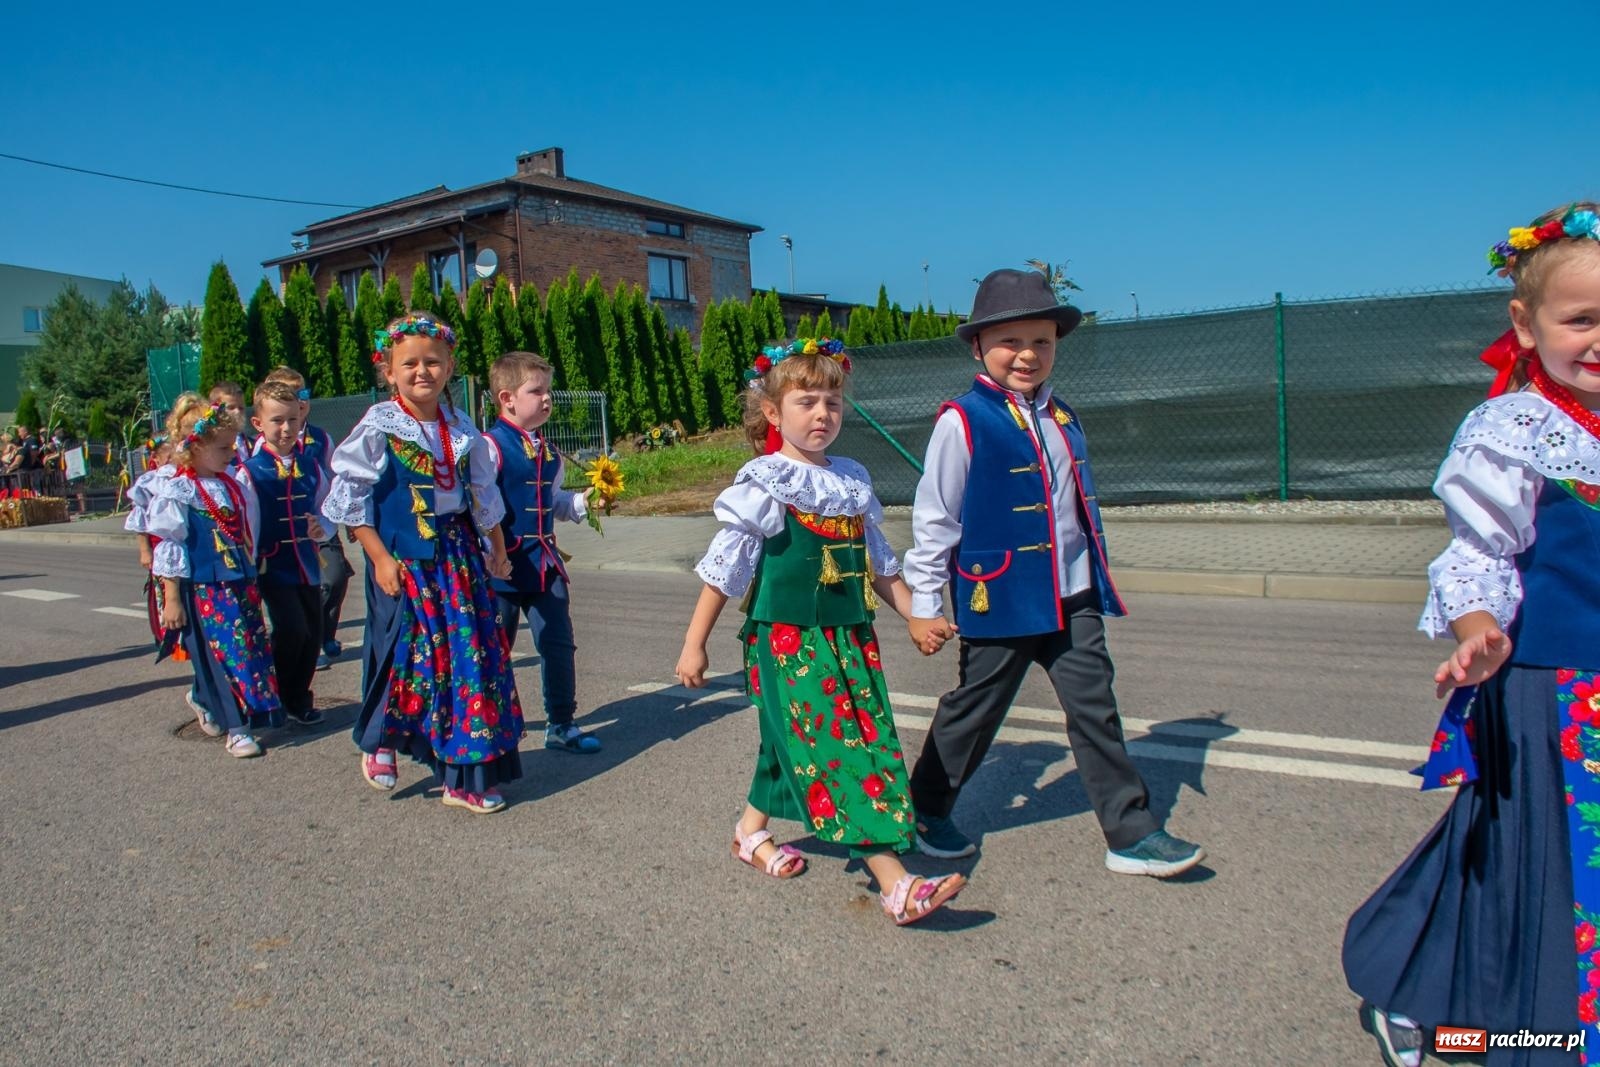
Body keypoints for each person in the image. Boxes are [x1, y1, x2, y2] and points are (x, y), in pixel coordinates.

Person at [1343, 202, 1600, 1067]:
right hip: (1556, 691)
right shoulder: (1515, 429)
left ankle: (1434, 995)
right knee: (1550, 870)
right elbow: (1474, 554)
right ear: (1525, 326)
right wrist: (1480, 629)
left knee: (1504, 852)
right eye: (1582, 318)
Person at [900, 268, 1204, 877]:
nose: (1028, 355)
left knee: (1096, 708)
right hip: (1002, 596)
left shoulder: (1064, 417)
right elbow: (935, 519)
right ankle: (925, 809)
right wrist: (925, 603)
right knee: (975, 709)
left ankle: (1131, 832)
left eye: (1042, 341)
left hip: (1073, 596)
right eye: (1011, 341)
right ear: (979, 346)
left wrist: (1089, 574)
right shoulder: (962, 419)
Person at [675, 338, 968, 926]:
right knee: (838, 748)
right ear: (772, 411)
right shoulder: (764, 482)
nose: (821, 414)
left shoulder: (852, 481)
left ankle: (750, 833)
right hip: (788, 641)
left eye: (832, 402)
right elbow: (723, 570)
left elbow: (880, 564)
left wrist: (913, 613)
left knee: (799, 739)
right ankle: (894, 881)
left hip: (849, 637)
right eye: (806, 401)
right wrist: (694, 642)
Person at [322, 312, 524, 814]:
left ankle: (462, 775)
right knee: (401, 655)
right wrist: (379, 559)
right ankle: (381, 742)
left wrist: (497, 549)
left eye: (432, 361)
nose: (421, 371)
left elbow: (483, 495)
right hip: (402, 559)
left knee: (468, 660)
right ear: (388, 371)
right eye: (408, 363)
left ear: (450, 366)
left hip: (456, 557)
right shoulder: (379, 425)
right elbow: (353, 501)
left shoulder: (460, 429)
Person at [145, 393, 281, 758]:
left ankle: (208, 699)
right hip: (204, 589)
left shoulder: (231, 484)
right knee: (220, 656)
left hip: (238, 584)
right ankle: (237, 729)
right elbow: (168, 546)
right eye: (223, 447)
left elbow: (245, 530)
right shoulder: (178, 490)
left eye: (233, 445)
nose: (232, 453)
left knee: (247, 650)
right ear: (195, 447)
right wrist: (171, 598)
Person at [484, 351, 603, 754]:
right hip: (499, 566)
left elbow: (554, 504)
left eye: (548, 390)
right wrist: (489, 552)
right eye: (536, 391)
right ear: (507, 398)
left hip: (544, 565)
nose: (547, 398)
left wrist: (586, 502)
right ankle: (489, 727)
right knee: (494, 646)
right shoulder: (488, 447)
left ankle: (562, 723)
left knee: (558, 641)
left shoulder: (549, 452)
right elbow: (479, 506)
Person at [241, 379, 330, 727]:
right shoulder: (250, 471)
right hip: (272, 566)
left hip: (307, 564)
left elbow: (326, 506)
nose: (286, 428)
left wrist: (320, 525)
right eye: (277, 420)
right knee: (291, 629)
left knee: (312, 633)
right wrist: (250, 565)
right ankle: (274, 693)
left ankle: (298, 698)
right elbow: (249, 523)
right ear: (258, 424)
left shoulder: (311, 466)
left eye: (292, 420)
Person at [257, 366, 350, 671]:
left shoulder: (320, 439)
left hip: (317, 533)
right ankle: (301, 646)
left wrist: (339, 521)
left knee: (334, 578)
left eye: (303, 394)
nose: (299, 400)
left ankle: (320, 634)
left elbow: (334, 483)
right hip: (280, 547)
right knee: (291, 614)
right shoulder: (261, 451)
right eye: (289, 396)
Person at [208, 382, 251, 469]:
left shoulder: (251, 443)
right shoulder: (210, 445)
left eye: (241, 408)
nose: (237, 412)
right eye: (231, 408)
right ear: (215, 410)